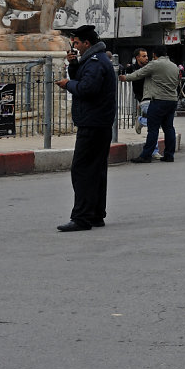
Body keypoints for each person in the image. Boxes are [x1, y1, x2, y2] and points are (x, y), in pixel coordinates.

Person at [55, 24, 117, 232]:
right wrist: (73, 67)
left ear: (86, 43)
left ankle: (81, 217)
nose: (75, 47)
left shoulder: (95, 62)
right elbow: (83, 80)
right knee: (96, 170)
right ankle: (96, 214)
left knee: (81, 170)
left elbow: (86, 88)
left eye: (77, 43)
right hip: (98, 122)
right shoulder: (92, 61)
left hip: (93, 123)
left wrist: (67, 84)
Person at [123, 46, 181, 163]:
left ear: (155, 55)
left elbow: (138, 74)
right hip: (172, 100)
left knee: (153, 129)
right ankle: (169, 155)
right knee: (169, 128)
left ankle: (146, 155)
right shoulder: (174, 66)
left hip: (158, 100)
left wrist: (125, 78)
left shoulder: (155, 64)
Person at [123, 48, 150, 138]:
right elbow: (122, 72)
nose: (146, 58)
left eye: (147, 55)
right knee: (155, 121)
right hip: (142, 97)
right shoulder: (132, 68)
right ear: (137, 57)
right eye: (144, 56)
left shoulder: (150, 66)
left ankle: (141, 120)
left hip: (152, 95)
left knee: (156, 121)